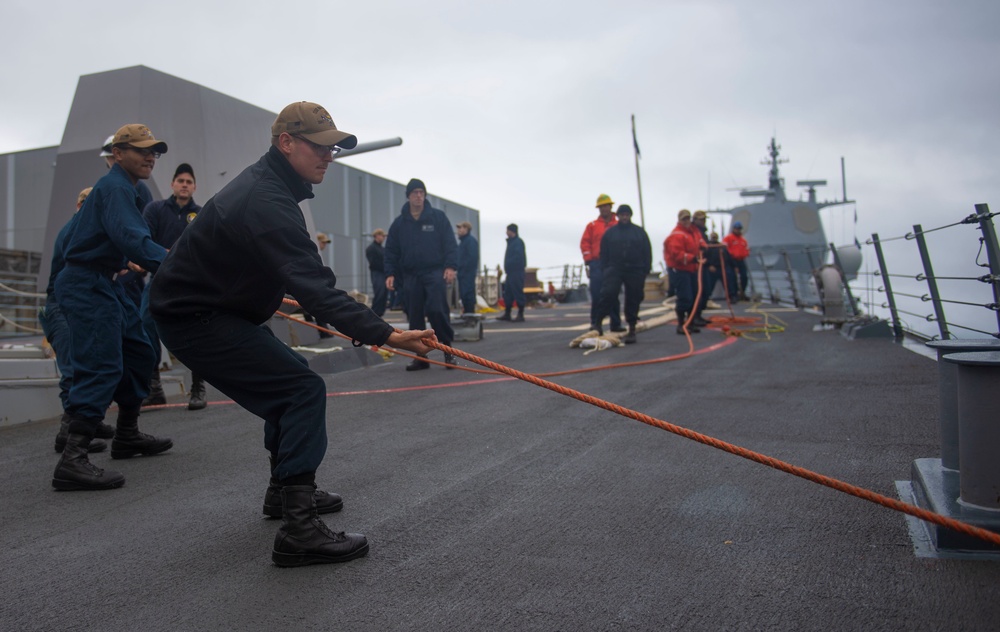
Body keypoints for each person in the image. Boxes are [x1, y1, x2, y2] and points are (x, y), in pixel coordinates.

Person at [150, 101, 435, 567]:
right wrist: (388, 334)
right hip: (194, 318)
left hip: (209, 308)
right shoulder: (267, 199)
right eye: (320, 147)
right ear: (286, 143)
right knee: (302, 390)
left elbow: (257, 262)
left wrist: (270, 292)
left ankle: (282, 493)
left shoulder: (271, 189)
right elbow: (317, 287)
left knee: (293, 375)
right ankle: (299, 530)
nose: (329, 156)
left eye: (334, 148)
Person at [51, 123, 173, 492]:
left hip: (107, 280)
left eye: (153, 150)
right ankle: (72, 459)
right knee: (101, 363)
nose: (150, 155)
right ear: (117, 154)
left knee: (139, 350)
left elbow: (126, 242)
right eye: (140, 150)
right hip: (86, 283)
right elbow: (134, 239)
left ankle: (127, 435)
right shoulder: (115, 187)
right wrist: (178, 264)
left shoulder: (131, 189)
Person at [40, 187, 114, 454]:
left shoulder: (85, 232)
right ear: (79, 205)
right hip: (59, 305)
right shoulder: (73, 231)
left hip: (74, 302)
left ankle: (90, 421)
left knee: (92, 360)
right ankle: (66, 431)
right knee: (73, 366)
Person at [141, 163, 205, 409]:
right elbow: (143, 239)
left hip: (190, 284)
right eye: (181, 181)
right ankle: (154, 387)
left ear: (194, 187)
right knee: (146, 326)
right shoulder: (155, 210)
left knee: (196, 334)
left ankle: (198, 388)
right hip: (158, 280)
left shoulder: (202, 214)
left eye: (189, 182)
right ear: (172, 184)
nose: (184, 185)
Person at [384, 178, 458, 370]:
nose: (418, 196)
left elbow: (450, 243)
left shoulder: (438, 218)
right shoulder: (399, 224)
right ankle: (421, 357)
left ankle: (448, 352)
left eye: (421, 193)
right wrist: (390, 273)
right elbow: (391, 250)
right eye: (415, 192)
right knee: (415, 316)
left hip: (434, 272)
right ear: (408, 196)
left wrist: (450, 266)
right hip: (410, 276)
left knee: (437, 311)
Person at [595, 205, 651, 343]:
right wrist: (605, 269)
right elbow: (603, 252)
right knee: (608, 294)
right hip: (615, 268)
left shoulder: (639, 232)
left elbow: (647, 252)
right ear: (618, 216)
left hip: (635, 269)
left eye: (627, 214)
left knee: (634, 297)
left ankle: (631, 328)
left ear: (630, 216)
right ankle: (598, 324)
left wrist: (645, 270)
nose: (624, 217)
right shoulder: (610, 233)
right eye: (622, 215)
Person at [580, 193, 624, 332]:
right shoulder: (592, 226)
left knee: (613, 294)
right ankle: (595, 323)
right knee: (597, 294)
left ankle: (615, 324)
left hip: (613, 264)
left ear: (610, 207)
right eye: (602, 207)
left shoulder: (618, 225)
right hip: (597, 264)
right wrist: (588, 260)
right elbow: (585, 243)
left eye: (606, 206)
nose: (604, 209)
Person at [664, 209, 705, 335]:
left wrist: (705, 247)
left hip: (692, 269)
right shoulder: (677, 235)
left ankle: (690, 323)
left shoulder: (693, 232)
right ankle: (681, 324)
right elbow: (677, 254)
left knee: (693, 297)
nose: (686, 221)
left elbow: (700, 241)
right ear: (679, 220)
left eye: (688, 219)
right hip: (680, 270)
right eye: (684, 219)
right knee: (685, 297)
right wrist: (693, 258)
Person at [497, 224, 526, 322]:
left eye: (507, 230)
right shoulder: (512, 243)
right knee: (508, 293)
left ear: (511, 231)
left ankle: (521, 314)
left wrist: (510, 263)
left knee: (518, 291)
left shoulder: (517, 243)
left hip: (516, 272)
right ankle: (507, 313)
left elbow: (518, 258)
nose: (506, 232)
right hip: (510, 272)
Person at [455, 221, 479, 315]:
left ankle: (470, 314)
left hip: (467, 273)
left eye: (461, 228)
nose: (459, 230)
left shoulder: (470, 241)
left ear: (466, 229)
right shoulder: (463, 242)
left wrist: (464, 269)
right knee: (464, 294)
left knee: (468, 294)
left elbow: (472, 258)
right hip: (463, 273)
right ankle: (467, 313)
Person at [723, 221, 751, 302]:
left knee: (744, 277)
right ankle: (733, 295)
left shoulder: (743, 240)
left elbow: (746, 249)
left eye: (739, 229)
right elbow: (724, 249)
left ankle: (742, 292)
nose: (738, 230)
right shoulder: (728, 238)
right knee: (732, 278)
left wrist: (745, 254)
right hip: (730, 260)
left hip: (741, 260)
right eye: (736, 229)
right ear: (734, 229)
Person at [366, 229, 388, 317]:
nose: (384, 238)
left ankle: (379, 314)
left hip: (382, 273)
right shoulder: (371, 248)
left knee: (383, 295)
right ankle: (374, 314)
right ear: (377, 236)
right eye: (382, 236)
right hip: (377, 273)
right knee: (380, 293)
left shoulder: (382, 248)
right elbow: (374, 263)